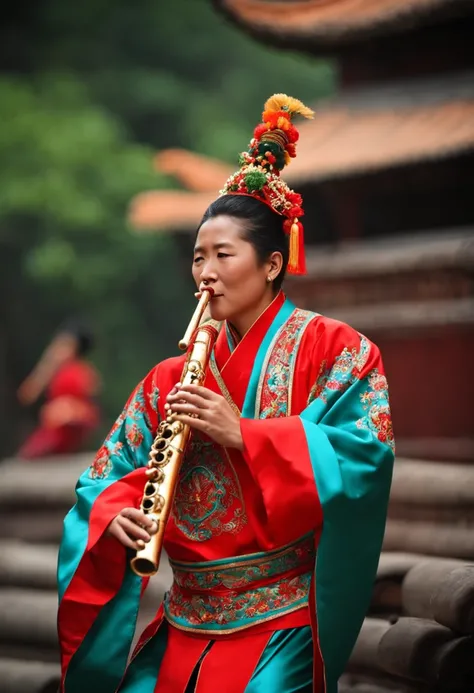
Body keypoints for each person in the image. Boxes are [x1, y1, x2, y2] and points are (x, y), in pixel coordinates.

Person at [57, 95, 395, 693]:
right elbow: (103, 476)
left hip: (280, 620)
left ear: (270, 264)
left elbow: (365, 457)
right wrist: (111, 515)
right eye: (196, 257)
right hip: (184, 617)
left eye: (222, 254)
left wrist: (247, 433)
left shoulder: (337, 350)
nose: (205, 272)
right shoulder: (168, 378)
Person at [17, 319, 101, 459]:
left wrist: (67, 410)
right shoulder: (55, 372)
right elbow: (26, 395)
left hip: (67, 435)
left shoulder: (81, 373)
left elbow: (92, 412)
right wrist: (47, 365)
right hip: (50, 435)